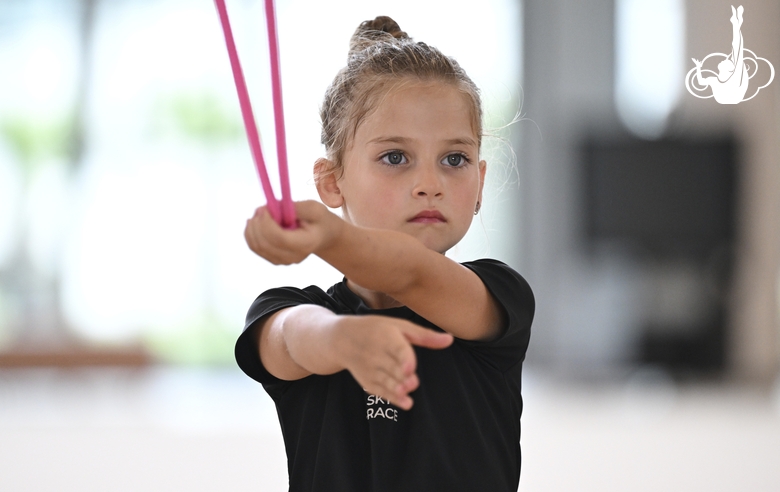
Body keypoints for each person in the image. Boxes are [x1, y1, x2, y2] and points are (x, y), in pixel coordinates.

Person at [235, 16, 534, 492]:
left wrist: (330, 236)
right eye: (395, 157)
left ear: (480, 181)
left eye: (454, 160)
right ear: (332, 181)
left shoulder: (498, 296)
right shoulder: (289, 309)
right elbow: (291, 339)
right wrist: (340, 340)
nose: (429, 185)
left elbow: (412, 274)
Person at [692, 5, 748, 104]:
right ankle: (736, 23)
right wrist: (698, 67)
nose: (725, 59)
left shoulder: (734, 78)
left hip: (733, 97)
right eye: (728, 60)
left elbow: (737, 49)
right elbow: (701, 82)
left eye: (727, 61)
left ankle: (736, 23)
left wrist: (736, 25)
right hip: (728, 99)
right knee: (737, 50)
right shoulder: (714, 80)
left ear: (729, 69)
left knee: (737, 50)